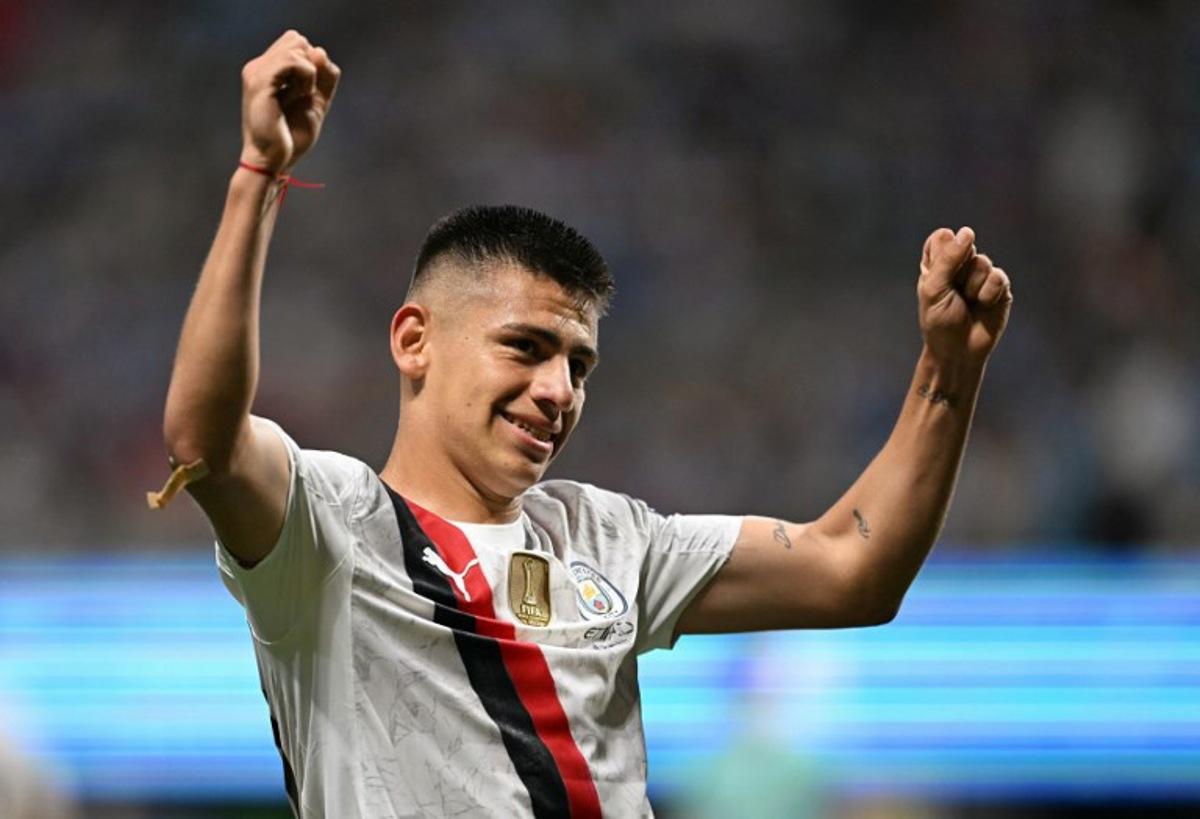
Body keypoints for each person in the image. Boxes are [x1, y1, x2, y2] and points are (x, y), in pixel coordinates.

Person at [158, 30, 1013, 818]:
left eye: (578, 364)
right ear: (415, 341)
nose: (557, 389)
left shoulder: (605, 539)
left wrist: (950, 368)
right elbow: (205, 441)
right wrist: (259, 176)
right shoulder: (331, 530)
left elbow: (852, 569)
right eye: (524, 347)